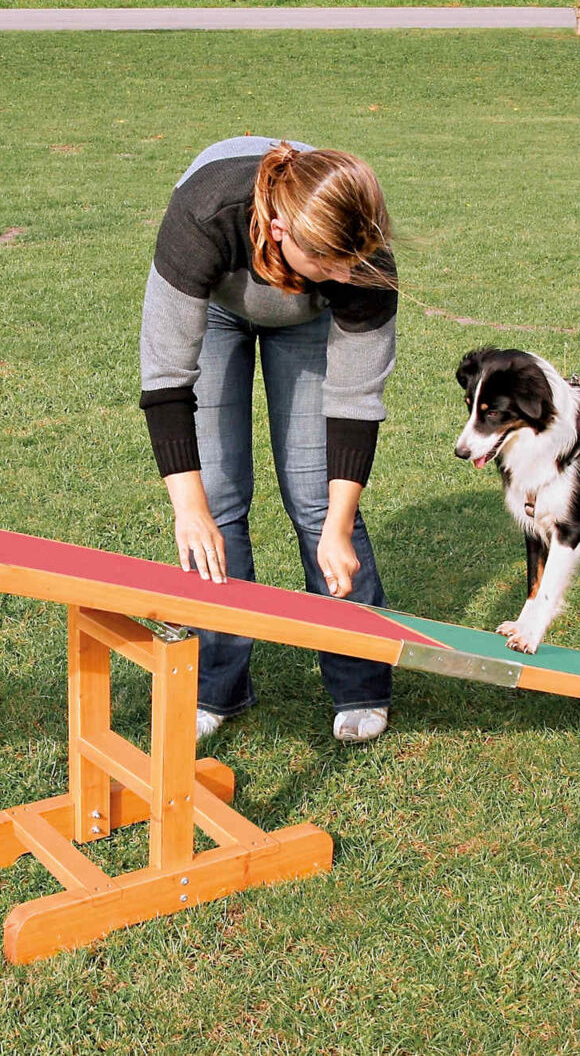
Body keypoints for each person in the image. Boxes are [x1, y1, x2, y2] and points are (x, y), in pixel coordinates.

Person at [138, 135, 400, 744]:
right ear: (281, 230)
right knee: (217, 501)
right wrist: (190, 509)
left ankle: (360, 682)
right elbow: (167, 381)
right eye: (331, 261)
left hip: (307, 320)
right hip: (217, 307)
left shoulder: (361, 258)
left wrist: (338, 524)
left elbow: (356, 401)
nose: (347, 275)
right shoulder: (203, 216)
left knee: (318, 502)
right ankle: (215, 687)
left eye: (354, 262)